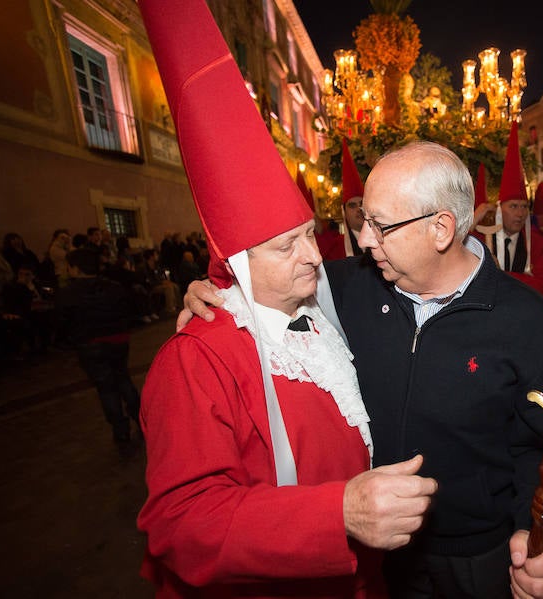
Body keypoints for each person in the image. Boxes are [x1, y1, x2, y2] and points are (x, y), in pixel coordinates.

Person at [183, 141, 543, 599]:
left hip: (478, 553)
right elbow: (267, 276)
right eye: (364, 220)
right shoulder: (345, 287)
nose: (365, 239)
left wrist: (532, 534)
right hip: (376, 551)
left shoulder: (525, 318)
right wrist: (219, 291)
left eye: (380, 225)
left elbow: (541, 445)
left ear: (441, 228)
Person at [137, 1, 436, 596]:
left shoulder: (322, 309)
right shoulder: (196, 360)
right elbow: (180, 523)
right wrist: (338, 515)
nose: (310, 256)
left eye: (307, 235)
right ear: (239, 267)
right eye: (284, 248)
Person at [54, 249, 141, 453]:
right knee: (123, 379)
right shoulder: (114, 288)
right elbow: (129, 309)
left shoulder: (68, 293)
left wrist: (71, 340)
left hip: (90, 345)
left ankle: (121, 430)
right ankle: (141, 419)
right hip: (118, 341)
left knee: (107, 388)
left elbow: (60, 322)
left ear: (75, 268)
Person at [472, 121, 543, 297]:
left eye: (524, 207)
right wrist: (474, 220)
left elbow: (542, 285)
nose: (521, 213)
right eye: (514, 206)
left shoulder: (537, 242)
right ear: (499, 209)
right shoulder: (483, 238)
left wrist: (499, 275)